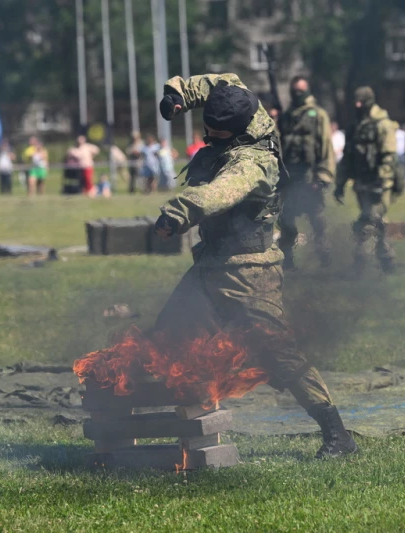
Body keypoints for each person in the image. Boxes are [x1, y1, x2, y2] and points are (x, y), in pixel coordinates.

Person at [154, 72, 357, 459]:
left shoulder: (252, 163)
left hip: (249, 272)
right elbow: (219, 81)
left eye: (212, 131)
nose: (206, 135)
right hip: (210, 263)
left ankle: (338, 436)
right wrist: (176, 94)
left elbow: (217, 192)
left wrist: (177, 215)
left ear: (231, 132)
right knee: (169, 331)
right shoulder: (242, 101)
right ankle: (183, 428)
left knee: (281, 356)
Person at [335, 86, 402, 274]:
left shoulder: (383, 124)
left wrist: (382, 181)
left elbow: (389, 156)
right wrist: (339, 183)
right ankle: (387, 260)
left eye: (361, 102)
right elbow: (347, 157)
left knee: (367, 221)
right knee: (377, 221)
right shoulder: (354, 126)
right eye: (355, 101)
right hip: (361, 183)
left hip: (381, 184)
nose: (357, 105)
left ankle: (359, 264)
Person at [276, 75, 336, 269]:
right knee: (286, 221)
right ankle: (287, 260)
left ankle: (325, 258)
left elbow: (326, 147)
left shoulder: (317, 115)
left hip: (310, 178)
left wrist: (323, 177)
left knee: (317, 222)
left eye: (301, 90)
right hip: (290, 179)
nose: (297, 94)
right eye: (295, 90)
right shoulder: (287, 116)